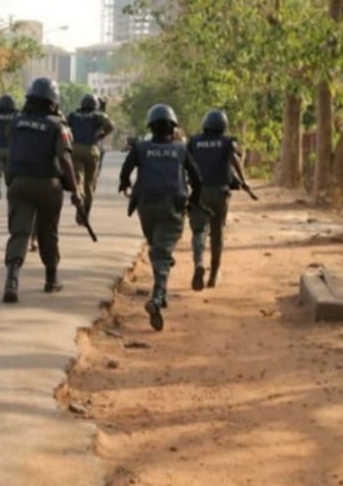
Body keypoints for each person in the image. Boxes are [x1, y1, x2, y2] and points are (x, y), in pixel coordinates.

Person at [119, 104, 202, 331]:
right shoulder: (181, 149)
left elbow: (125, 172)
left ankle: (162, 294)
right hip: (172, 207)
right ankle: (156, 298)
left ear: (151, 126)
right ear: (172, 128)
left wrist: (124, 184)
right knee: (163, 253)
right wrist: (195, 201)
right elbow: (197, 179)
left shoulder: (140, 148)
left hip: (146, 206)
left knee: (157, 248)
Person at [1, 77, 82, 303]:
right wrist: (75, 190)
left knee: (20, 232)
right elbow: (64, 158)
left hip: (19, 183)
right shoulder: (57, 125)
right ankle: (51, 279)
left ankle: (11, 281)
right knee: (48, 232)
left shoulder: (16, 121)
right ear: (53, 102)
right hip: (48, 184)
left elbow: (13, 144)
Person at [186, 109, 249, 290]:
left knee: (199, 231)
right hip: (220, 193)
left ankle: (199, 262)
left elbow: (185, 162)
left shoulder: (194, 141)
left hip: (200, 192)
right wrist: (243, 181)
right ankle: (213, 274)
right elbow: (235, 160)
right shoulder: (227, 142)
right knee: (217, 233)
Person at [67, 93, 115, 223]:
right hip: (92, 150)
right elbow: (111, 126)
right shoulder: (98, 115)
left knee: (79, 179)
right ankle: (84, 215)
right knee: (89, 184)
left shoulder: (73, 115)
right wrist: (101, 135)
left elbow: (64, 127)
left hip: (75, 149)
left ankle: (78, 196)